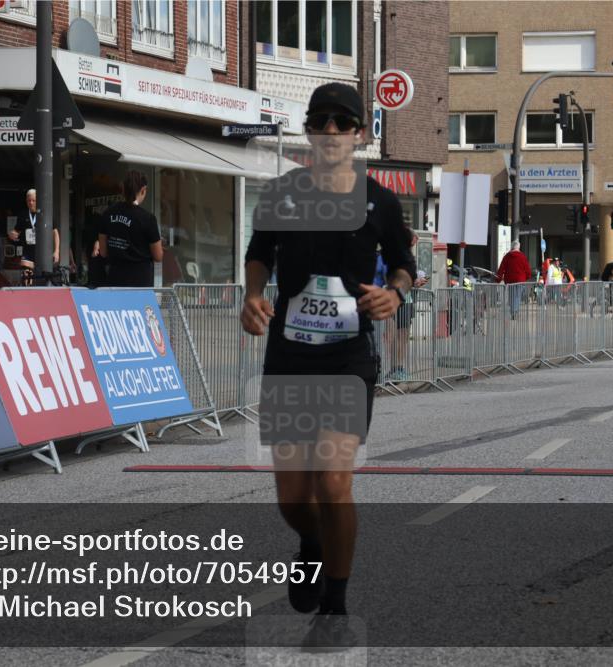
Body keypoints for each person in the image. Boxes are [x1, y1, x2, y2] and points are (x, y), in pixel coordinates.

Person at [241, 82, 414, 649]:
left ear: (361, 133)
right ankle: (311, 547)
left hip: (348, 358)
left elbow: (405, 266)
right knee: (293, 497)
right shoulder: (282, 193)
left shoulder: (380, 201)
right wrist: (253, 295)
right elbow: (259, 254)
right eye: (324, 122)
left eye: (345, 122)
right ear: (310, 130)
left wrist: (395, 292)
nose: (334, 131)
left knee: (334, 482)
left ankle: (334, 610)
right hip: (290, 357)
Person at [375, 226, 426, 382]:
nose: (412, 247)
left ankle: (399, 368)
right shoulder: (384, 255)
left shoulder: (407, 258)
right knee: (390, 336)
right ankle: (391, 368)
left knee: (403, 336)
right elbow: (379, 276)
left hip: (406, 300)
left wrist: (415, 281)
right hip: (389, 300)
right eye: (412, 243)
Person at [96, 170, 163, 287]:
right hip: (140, 282)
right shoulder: (148, 218)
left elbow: (103, 252)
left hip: (115, 279)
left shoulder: (108, 213)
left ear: (123, 189)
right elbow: (158, 256)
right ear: (143, 190)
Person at [8, 189, 59, 268]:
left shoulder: (46, 214)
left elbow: (55, 233)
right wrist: (12, 234)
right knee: (26, 272)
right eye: (29, 200)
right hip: (28, 251)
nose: (31, 203)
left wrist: (56, 251)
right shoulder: (23, 215)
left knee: (42, 276)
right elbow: (16, 231)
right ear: (26, 201)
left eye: (33, 200)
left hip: (43, 251)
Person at [496, 240, 532, 319]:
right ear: (519, 247)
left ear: (512, 247)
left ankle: (513, 311)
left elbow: (501, 268)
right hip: (520, 280)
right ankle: (515, 311)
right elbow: (527, 269)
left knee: (511, 296)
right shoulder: (522, 256)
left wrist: (498, 279)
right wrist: (527, 277)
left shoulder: (507, 256)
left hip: (509, 280)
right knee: (517, 296)